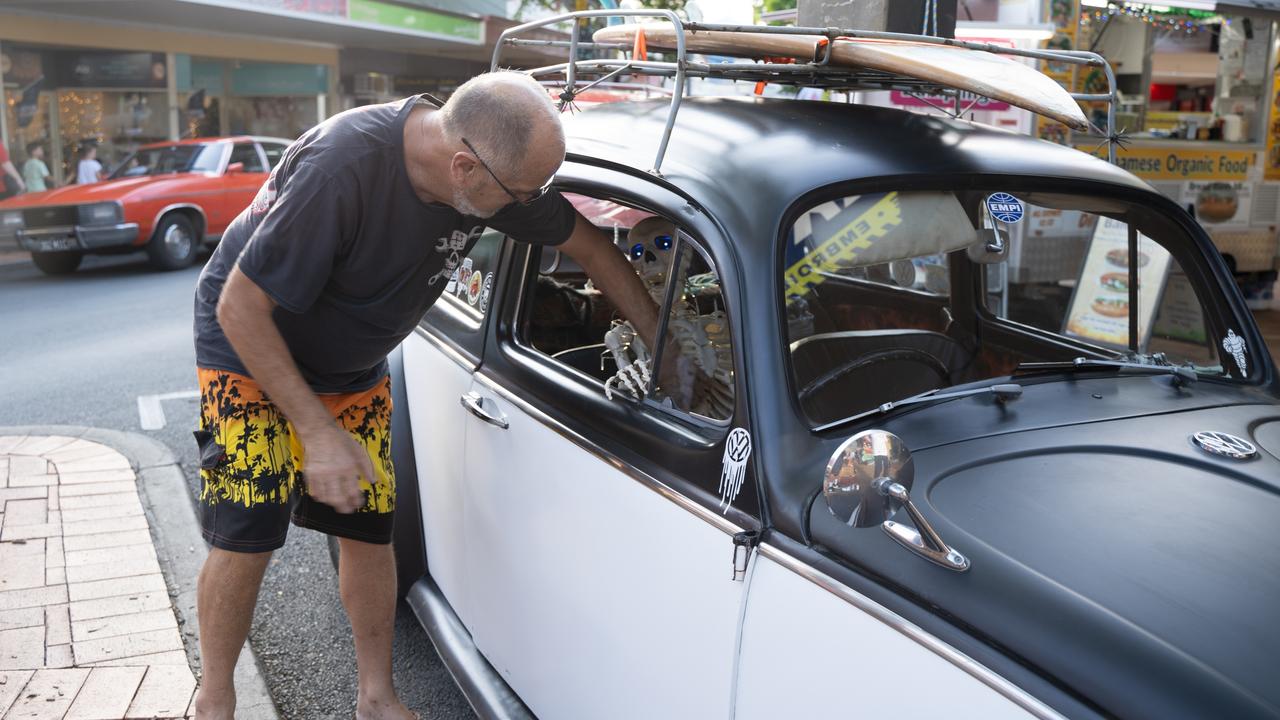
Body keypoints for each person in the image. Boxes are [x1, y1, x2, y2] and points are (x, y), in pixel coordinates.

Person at [190, 71, 671, 720]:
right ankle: (214, 698)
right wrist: (317, 431)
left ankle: (377, 698)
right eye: (521, 193)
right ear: (465, 166)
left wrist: (670, 360)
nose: (529, 205)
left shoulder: (495, 171)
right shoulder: (344, 170)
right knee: (250, 523)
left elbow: (588, 246)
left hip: (352, 361)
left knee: (369, 524)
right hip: (252, 346)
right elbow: (239, 307)